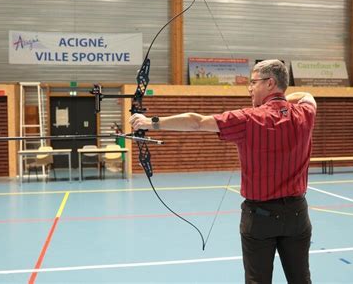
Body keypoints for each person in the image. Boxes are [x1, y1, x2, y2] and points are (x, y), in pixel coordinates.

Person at [130, 59, 316, 284]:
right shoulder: (305, 113)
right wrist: (283, 100)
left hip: (260, 218)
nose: (249, 87)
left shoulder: (248, 118)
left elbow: (197, 122)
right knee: (301, 280)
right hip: (297, 215)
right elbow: (307, 95)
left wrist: (149, 122)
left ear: (270, 83)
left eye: (254, 82)